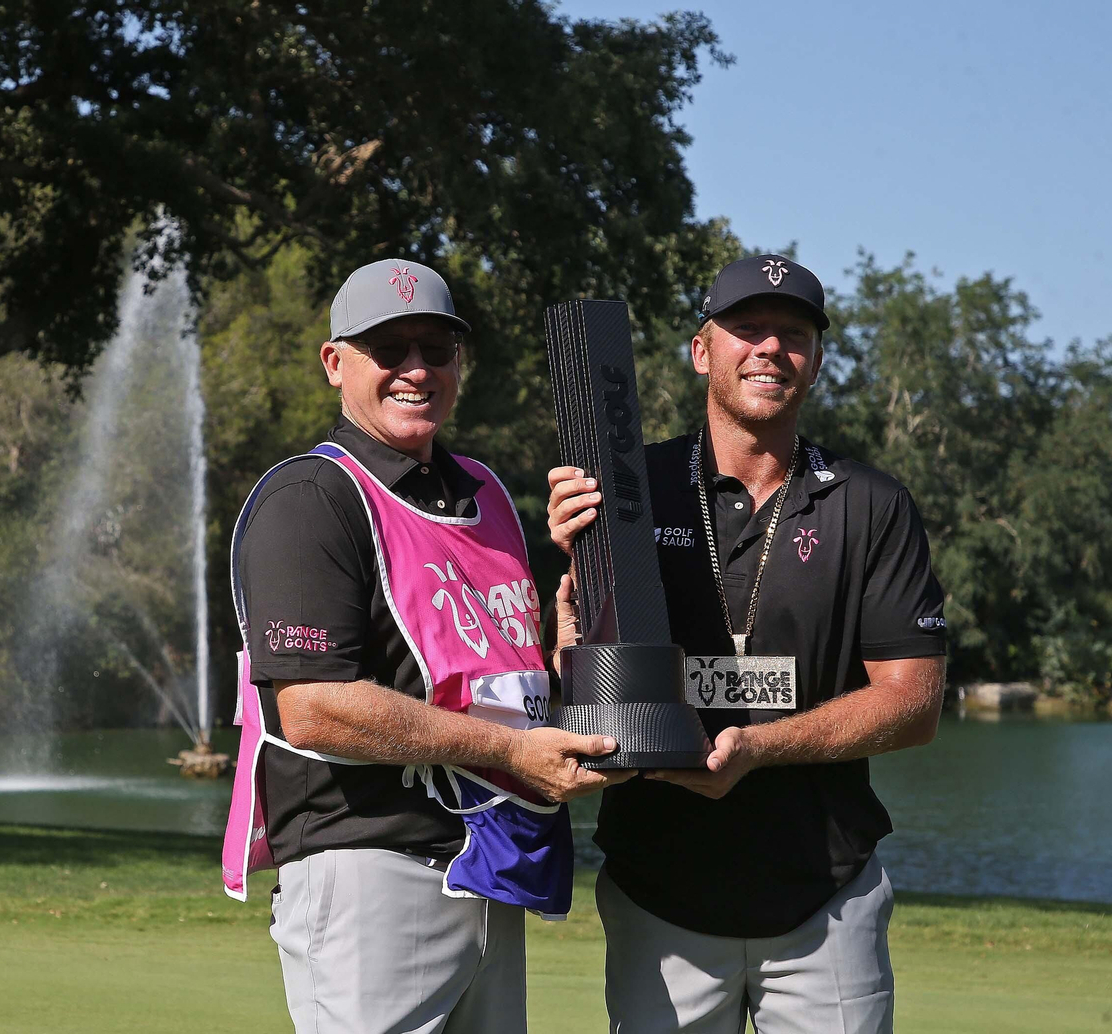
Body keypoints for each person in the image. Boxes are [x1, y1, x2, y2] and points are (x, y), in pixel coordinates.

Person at [222, 258, 631, 1034]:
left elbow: (499, 688)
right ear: (336, 363)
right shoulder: (311, 497)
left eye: (436, 349)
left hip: (487, 869)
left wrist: (569, 642)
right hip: (370, 871)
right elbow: (313, 707)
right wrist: (512, 754)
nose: (416, 369)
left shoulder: (484, 493)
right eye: (389, 347)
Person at [547, 254, 948, 1034]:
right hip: (657, 896)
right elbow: (553, 678)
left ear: (818, 358)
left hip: (825, 899)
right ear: (703, 350)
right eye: (747, 329)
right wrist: (573, 583)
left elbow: (914, 704)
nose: (770, 348)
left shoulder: (870, 503)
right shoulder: (624, 487)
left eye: (793, 334)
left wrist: (759, 748)